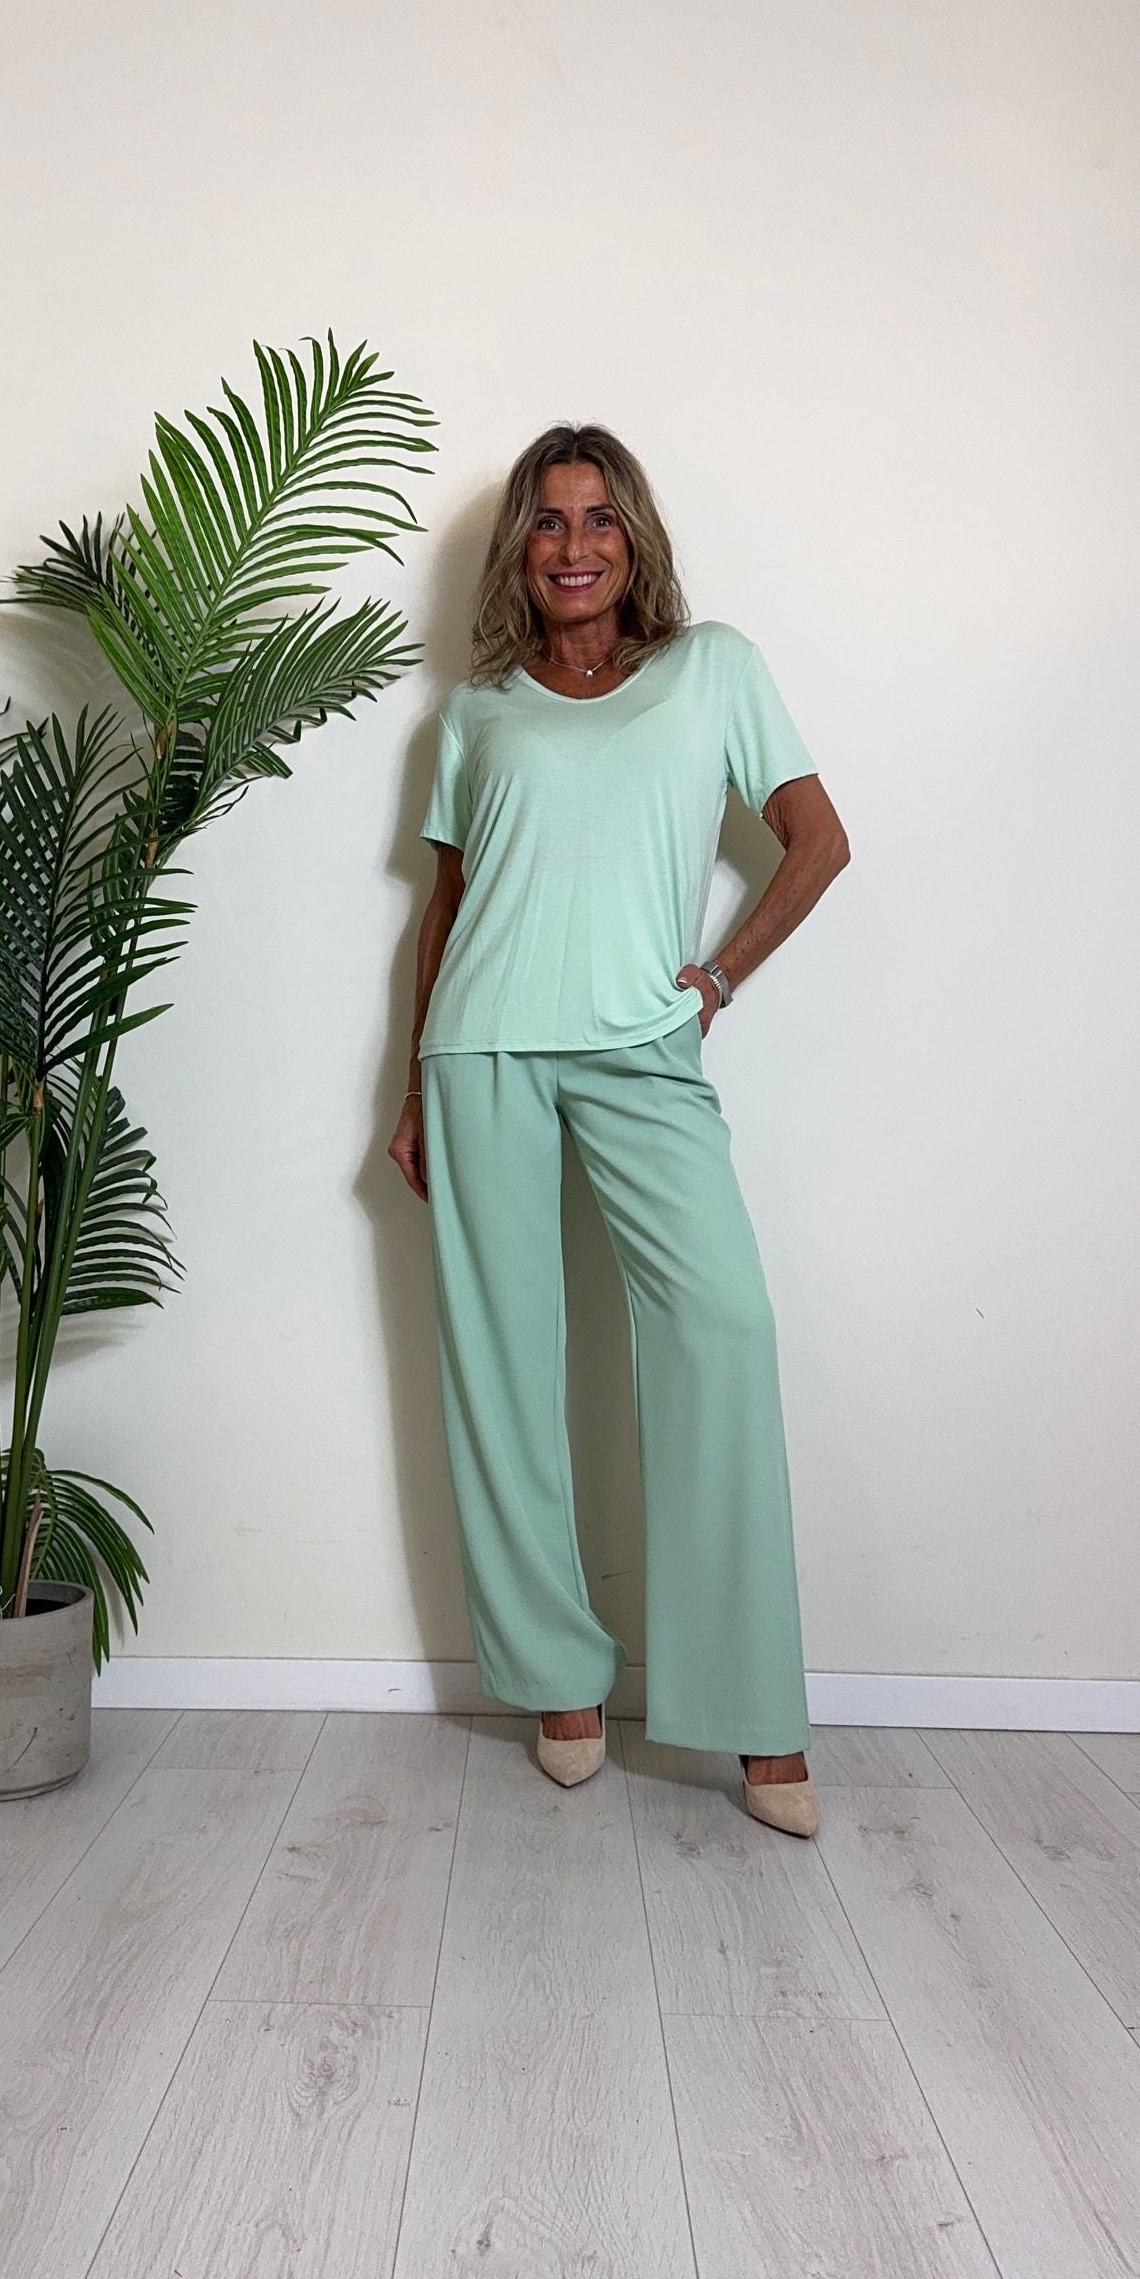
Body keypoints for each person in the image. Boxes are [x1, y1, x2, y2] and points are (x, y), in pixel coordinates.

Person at [387, 423, 850, 1837]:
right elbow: (449, 907)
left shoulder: (715, 669)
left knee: (723, 1326)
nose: (575, 545)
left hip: (645, 1045)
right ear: (518, 549)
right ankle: (558, 1682)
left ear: (634, 537)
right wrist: (409, 1085)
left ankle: (753, 1712)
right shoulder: (474, 712)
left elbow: (819, 840)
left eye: (599, 518)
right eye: (548, 520)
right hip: (481, 1048)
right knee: (503, 1368)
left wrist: (715, 979)